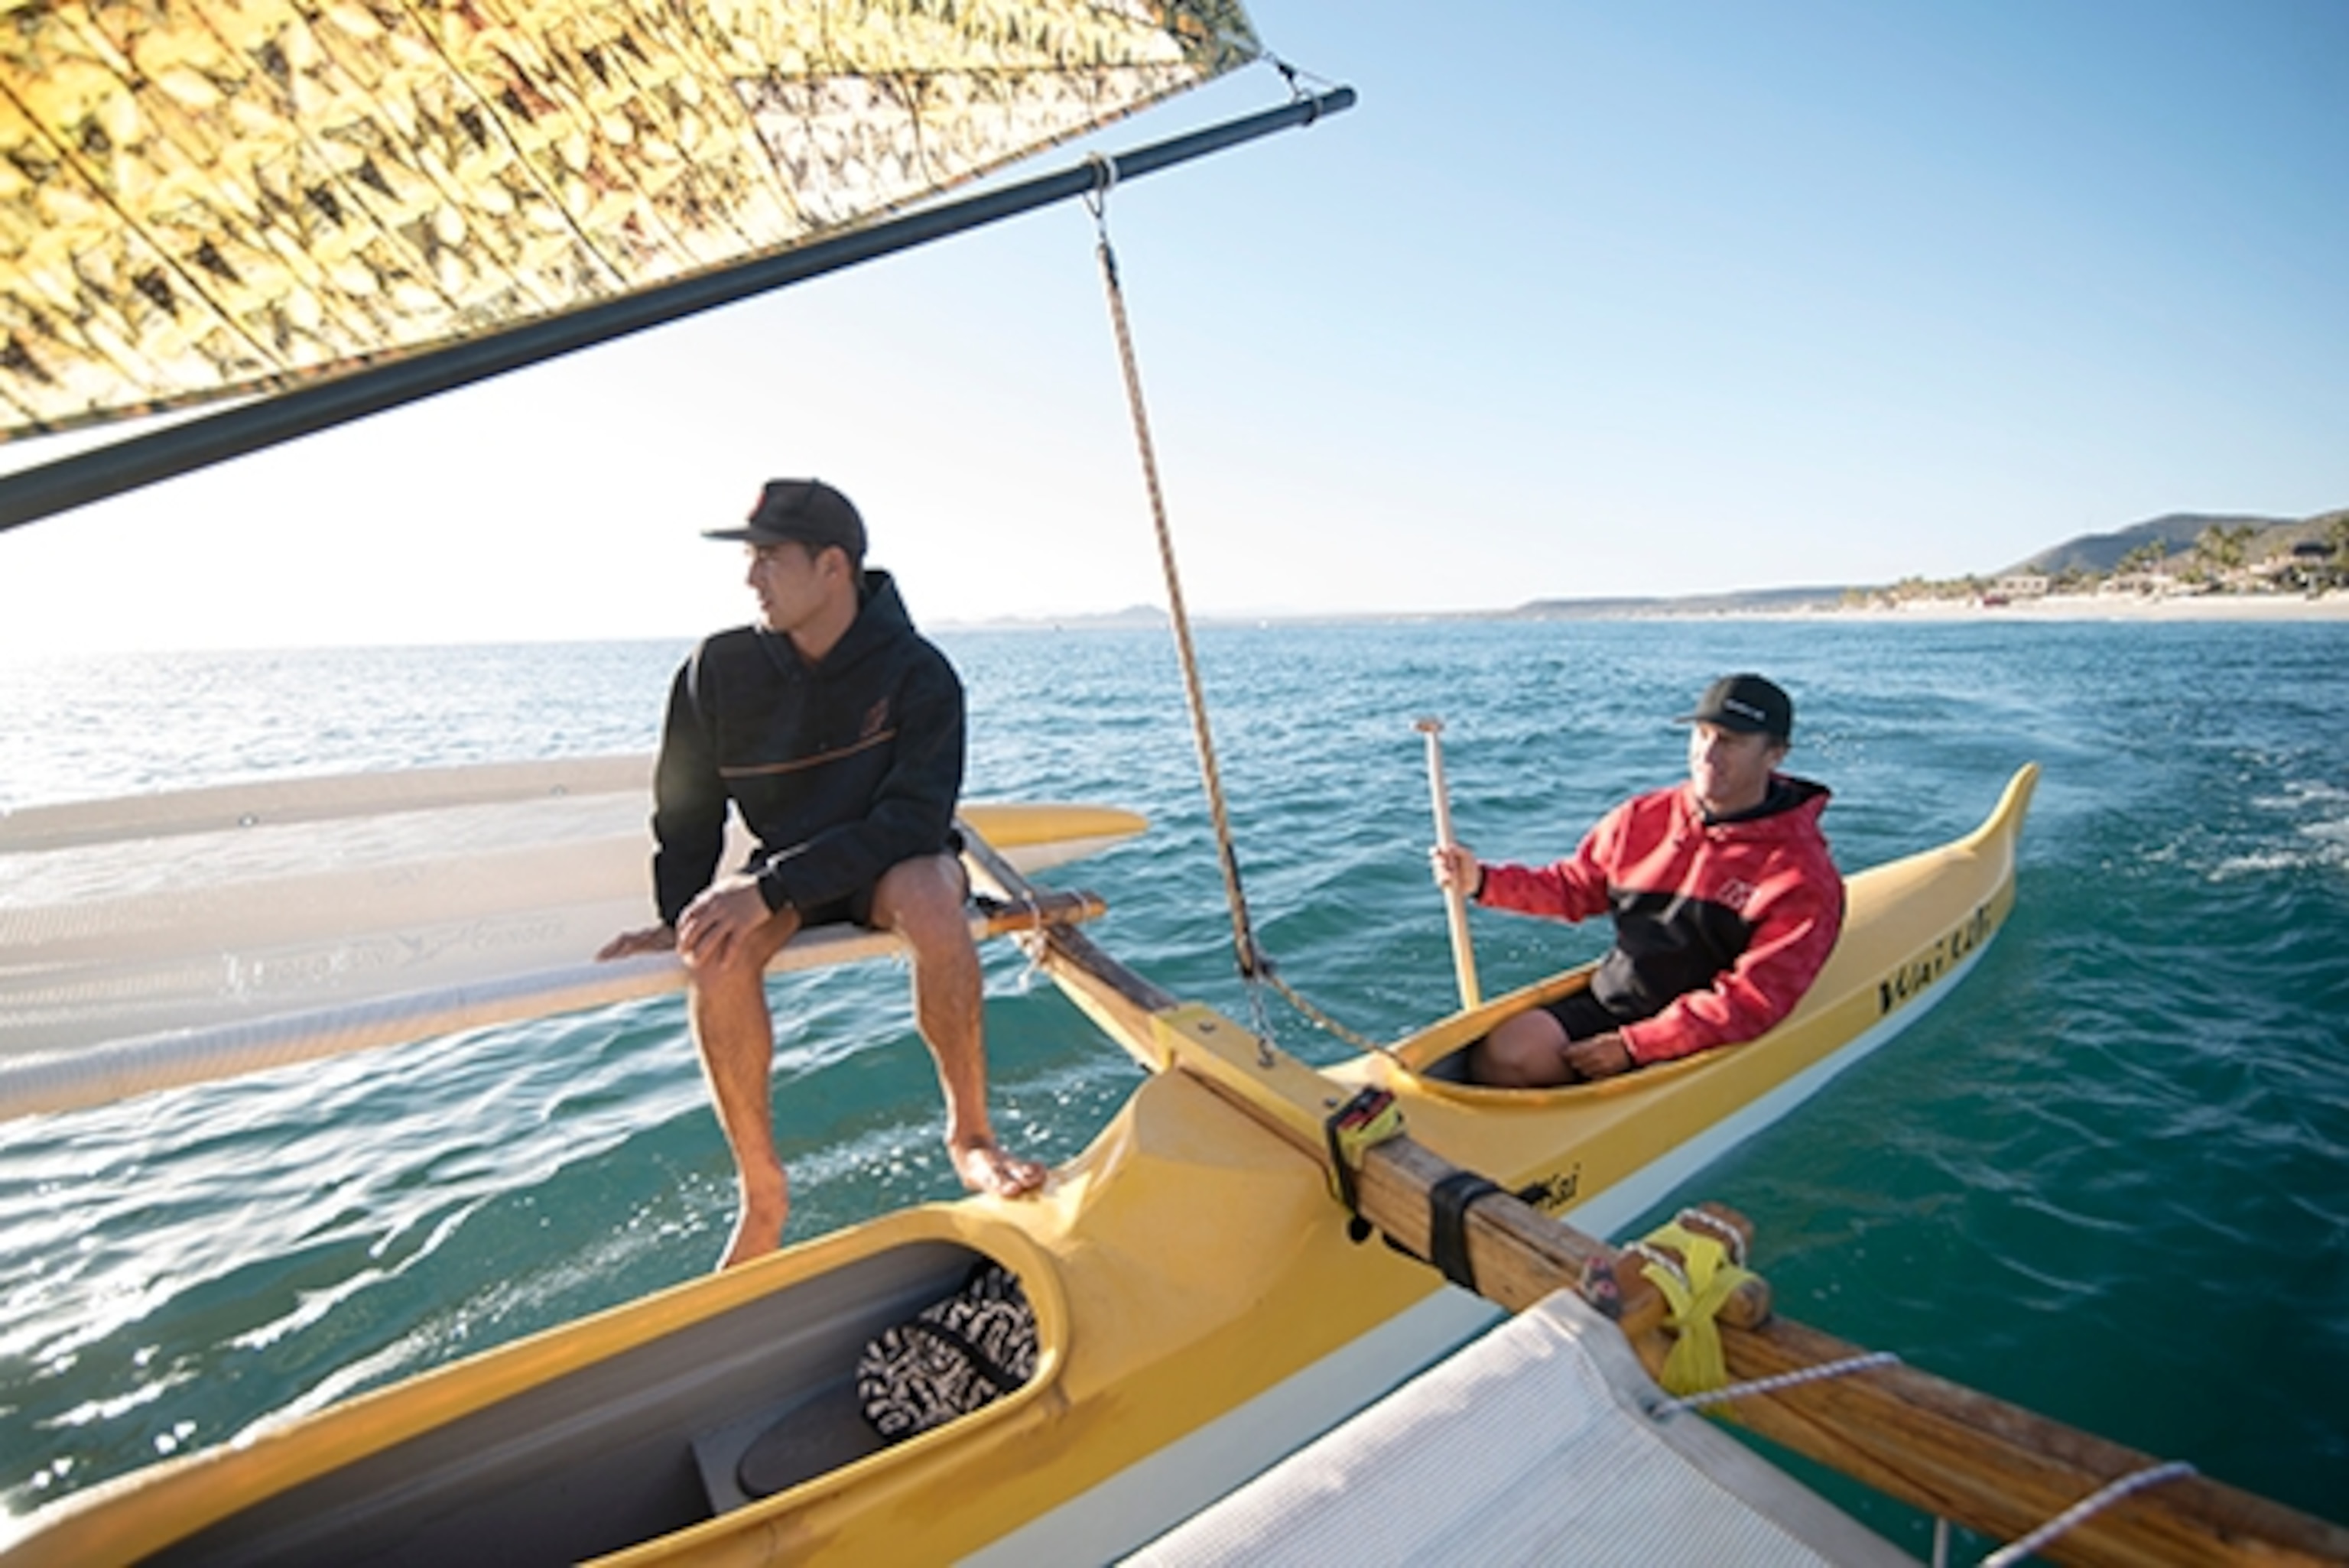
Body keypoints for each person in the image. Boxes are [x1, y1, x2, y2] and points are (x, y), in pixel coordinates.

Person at [599, 479, 1046, 1268]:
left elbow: (912, 821)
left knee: (932, 896)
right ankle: (763, 1191)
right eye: (750, 557)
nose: (751, 578)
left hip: (889, 863)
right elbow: (686, 809)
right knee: (713, 942)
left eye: (769, 556)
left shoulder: (918, 672)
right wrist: (683, 911)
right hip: (787, 870)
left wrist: (770, 887)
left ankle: (971, 1135)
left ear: (833, 566)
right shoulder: (717, 669)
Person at [1429, 674, 1843, 1088]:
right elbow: (1575, 888)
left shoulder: (1801, 874)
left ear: (1775, 755)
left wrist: (1636, 1046)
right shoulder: (1642, 817)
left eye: (1730, 740)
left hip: (1707, 1038)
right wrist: (1481, 881)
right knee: (1508, 1053)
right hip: (1618, 1002)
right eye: (1702, 734)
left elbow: (1756, 999)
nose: (1708, 753)